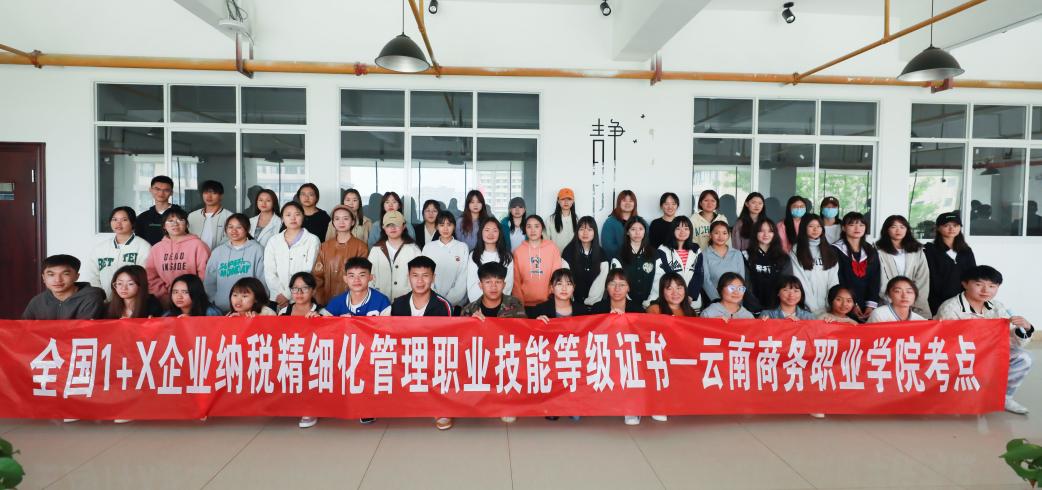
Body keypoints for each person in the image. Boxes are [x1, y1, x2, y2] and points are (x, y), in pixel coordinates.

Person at [933, 265, 1034, 414]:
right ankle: (968, 394)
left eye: (992, 286)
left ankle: (1005, 397)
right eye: (979, 284)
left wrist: (1025, 328)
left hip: (988, 352)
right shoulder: (950, 308)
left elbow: (1013, 342)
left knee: (1024, 357)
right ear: (965, 284)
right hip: (960, 356)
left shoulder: (998, 307)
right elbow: (947, 343)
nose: (986, 290)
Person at [390, 256, 454, 430]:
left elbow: (448, 342)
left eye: (425, 276)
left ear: (433, 278)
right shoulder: (398, 304)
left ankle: (442, 408)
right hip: (404, 356)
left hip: (433, 357)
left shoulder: (443, 306)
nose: (420, 281)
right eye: (415, 275)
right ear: (408, 277)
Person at [145, 207, 210, 307]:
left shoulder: (198, 245)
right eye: (170, 221)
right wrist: (164, 296)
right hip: (165, 301)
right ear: (164, 226)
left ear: (186, 224)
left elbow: (205, 274)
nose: (175, 224)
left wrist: (193, 295)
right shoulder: (156, 248)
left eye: (180, 220)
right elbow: (151, 276)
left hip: (194, 299)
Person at [83, 206, 152, 299]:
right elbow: (92, 276)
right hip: (104, 300)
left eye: (124, 220)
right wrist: (100, 297)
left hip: (132, 300)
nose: (118, 223)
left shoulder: (143, 247)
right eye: (114, 219)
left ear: (132, 222)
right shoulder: (100, 248)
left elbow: (145, 277)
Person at [264, 201, 321, 311]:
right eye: (288, 215)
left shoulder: (312, 240)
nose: (293, 218)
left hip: (302, 296)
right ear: (282, 218)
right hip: (278, 298)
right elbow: (269, 271)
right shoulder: (273, 241)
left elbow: (308, 269)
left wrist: (287, 294)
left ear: (303, 217)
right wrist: (282, 294)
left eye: (297, 214)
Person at [204, 214, 266, 314]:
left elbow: (262, 280)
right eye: (230, 227)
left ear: (247, 229)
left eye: (239, 227)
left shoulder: (257, 250)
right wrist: (213, 301)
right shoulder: (218, 251)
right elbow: (209, 281)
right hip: (220, 310)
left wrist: (258, 304)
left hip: (249, 310)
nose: (234, 231)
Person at [875, 215, 932, 318]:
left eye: (902, 227)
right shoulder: (878, 250)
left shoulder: (917, 250)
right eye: (893, 227)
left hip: (915, 305)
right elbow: (880, 279)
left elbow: (923, 278)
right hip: (887, 303)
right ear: (886, 230)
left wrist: (912, 300)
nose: (898, 230)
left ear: (907, 230)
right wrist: (894, 300)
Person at [312, 205, 368, 305]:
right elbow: (317, 277)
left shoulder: (361, 247)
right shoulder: (324, 247)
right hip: (327, 302)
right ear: (333, 222)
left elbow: (363, 277)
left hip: (352, 303)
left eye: (345, 218)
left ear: (353, 222)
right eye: (337, 219)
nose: (341, 222)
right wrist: (320, 299)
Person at [23, 254, 106, 320]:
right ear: (43, 278)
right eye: (51, 274)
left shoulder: (90, 298)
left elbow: (84, 331)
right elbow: (24, 329)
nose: (58, 280)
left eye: (65, 274)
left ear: (76, 276)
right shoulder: (37, 301)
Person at [832, 212, 881, 322]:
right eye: (852, 224)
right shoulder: (835, 250)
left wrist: (871, 305)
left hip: (867, 305)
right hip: (843, 304)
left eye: (861, 225)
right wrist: (851, 303)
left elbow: (875, 279)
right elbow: (838, 279)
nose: (857, 228)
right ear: (843, 228)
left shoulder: (871, 250)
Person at [924, 211, 976, 314]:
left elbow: (973, 274)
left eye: (955, 225)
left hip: (962, 300)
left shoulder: (966, 250)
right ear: (938, 228)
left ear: (960, 228)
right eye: (946, 225)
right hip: (936, 300)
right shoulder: (929, 250)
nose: (951, 229)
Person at [648, 215, 703, 309]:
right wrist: (677, 294)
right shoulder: (663, 249)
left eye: (686, 228)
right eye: (678, 228)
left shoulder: (696, 249)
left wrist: (690, 296)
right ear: (672, 230)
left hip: (691, 301)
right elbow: (665, 275)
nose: (682, 232)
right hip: (671, 299)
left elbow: (699, 274)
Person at [789, 214, 839, 314]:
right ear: (804, 228)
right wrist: (813, 308)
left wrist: (831, 305)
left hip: (828, 308)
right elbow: (800, 280)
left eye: (819, 226)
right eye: (811, 226)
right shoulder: (796, 250)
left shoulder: (829, 250)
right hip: (805, 308)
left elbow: (833, 280)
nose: (815, 229)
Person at [512, 215, 566, 307]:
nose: (533, 230)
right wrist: (520, 305)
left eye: (536, 226)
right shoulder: (518, 251)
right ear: (525, 229)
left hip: (548, 303)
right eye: (529, 227)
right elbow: (516, 282)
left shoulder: (552, 248)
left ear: (542, 229)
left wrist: (552, 298)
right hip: (525, 305)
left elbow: (556, 276)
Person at [368, 210, 422, 299]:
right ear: (383, 227)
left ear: (404, 226)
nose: (392, 228)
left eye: (396, 224)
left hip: (407, 301)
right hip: (380, 301)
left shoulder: (414, 250)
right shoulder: (375, 250)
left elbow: (419, 277)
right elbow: (369, 278)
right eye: (388, 225)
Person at [423, 211, 470, 309]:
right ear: (437, 227)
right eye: (441, 225)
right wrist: (435, 299)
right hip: (431, 302)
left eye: (449, 225)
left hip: (456, 304)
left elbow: (463, 277)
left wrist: (449, 301)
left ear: (454, 226)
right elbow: (425, 274)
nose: (445, 228)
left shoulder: (462, 247)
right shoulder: (428, 247)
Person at [742, 218, 788, 314]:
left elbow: (786, 284)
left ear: (775, 234)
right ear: (755, 233)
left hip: (777, 310)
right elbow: (744, 284)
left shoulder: (783, 258)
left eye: (770, 231)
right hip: (751, 310)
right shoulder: (745, 255)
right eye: (761, 231)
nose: (766, 234)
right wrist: (755, 308)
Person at [561, 216, 608, 309]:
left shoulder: (601, 253)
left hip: (595, 304)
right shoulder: (568, 251)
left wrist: (591, 301)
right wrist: (572, 301)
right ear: (577, 232)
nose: (585, 233)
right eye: (582, 229)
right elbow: (566, 278)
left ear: (595, 232)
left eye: (590, 229)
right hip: (573, 303)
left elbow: (601, 281)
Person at [466, 216, 515, 302]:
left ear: (500, 233)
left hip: (501, 305)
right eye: (487, 230)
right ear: (481, 232)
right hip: (478, 304)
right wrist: (483, 304)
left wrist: (496, 303)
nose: (491, 234)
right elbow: (472, 284)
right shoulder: (474, 255)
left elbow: (507, 285)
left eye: (495, 231)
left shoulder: (507, 257)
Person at [324, 257, 392, 317]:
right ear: (345, 279)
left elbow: (386, 327)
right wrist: (341, 322)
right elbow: (324, 324)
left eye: (362, 275)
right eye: (352, 276)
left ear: (370, 277)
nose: (356, 280)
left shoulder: (382, 302)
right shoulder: (336, 302)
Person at [461, 262, 526, 320]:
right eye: (488, 282)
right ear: (481, 285)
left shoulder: (515, 304)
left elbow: (523, 328)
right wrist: (472, 322)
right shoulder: (469, 310)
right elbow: (463, 329)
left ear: (504, 285)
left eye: (498, 282)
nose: (493, 286)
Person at [700, 221, 745, 304]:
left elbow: (741, 279)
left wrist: (736, 298)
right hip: (715, 301)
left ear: (729, 235)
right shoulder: (704, 255)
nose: (721, 236)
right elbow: (706, 281)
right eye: (716, 233)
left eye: (724, 233)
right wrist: (719, 301)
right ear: (710, 235)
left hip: (736, 300)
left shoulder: (737, 254)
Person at [135, 175, 183, 245]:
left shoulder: (182, 215)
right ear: (150, 190)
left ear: (171, 192)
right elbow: (139, 242)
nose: (161, 193)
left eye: (166, 190)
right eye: (157, 189)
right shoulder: (142, 218)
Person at [187, 180, 234, 250]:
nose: (209, 196)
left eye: (214, 193)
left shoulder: (230, 217)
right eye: (206, 193)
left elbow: (230, 241)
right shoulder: (192, 216)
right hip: (195, 254)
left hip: (219, 255)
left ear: (221, 196)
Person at [601, 190, 647, 260]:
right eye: (624, 200)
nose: (627, 203)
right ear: (619, 203)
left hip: (640, 260)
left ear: (635, 204)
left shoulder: (641, 222)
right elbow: (608, 247)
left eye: (631, 201)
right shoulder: (610, 222)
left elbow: (647, 242)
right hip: (618, 261)